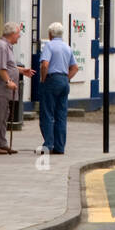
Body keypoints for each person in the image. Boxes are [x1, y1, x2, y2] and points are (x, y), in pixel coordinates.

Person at [0, 23, 33, 155]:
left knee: (3, 116)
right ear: (12, 34)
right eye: (18, 34)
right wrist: (8, 81)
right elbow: (0, 67)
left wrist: (21, 71)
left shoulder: (6, 47)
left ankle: (1, 142)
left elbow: (8, 66)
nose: (19, 36)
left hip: (4, 91)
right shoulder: (1, 47)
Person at [39, 23, 78, 153]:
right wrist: (66, 79)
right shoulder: (67, 47)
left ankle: (48, 145)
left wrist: (43, 79)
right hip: (64, 80)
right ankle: (60, 147)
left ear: (50, 34)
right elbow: (75, 67)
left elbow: (45, 65)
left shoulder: (49, 45)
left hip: (52, 79)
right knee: (61, 115)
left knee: (47, 113)